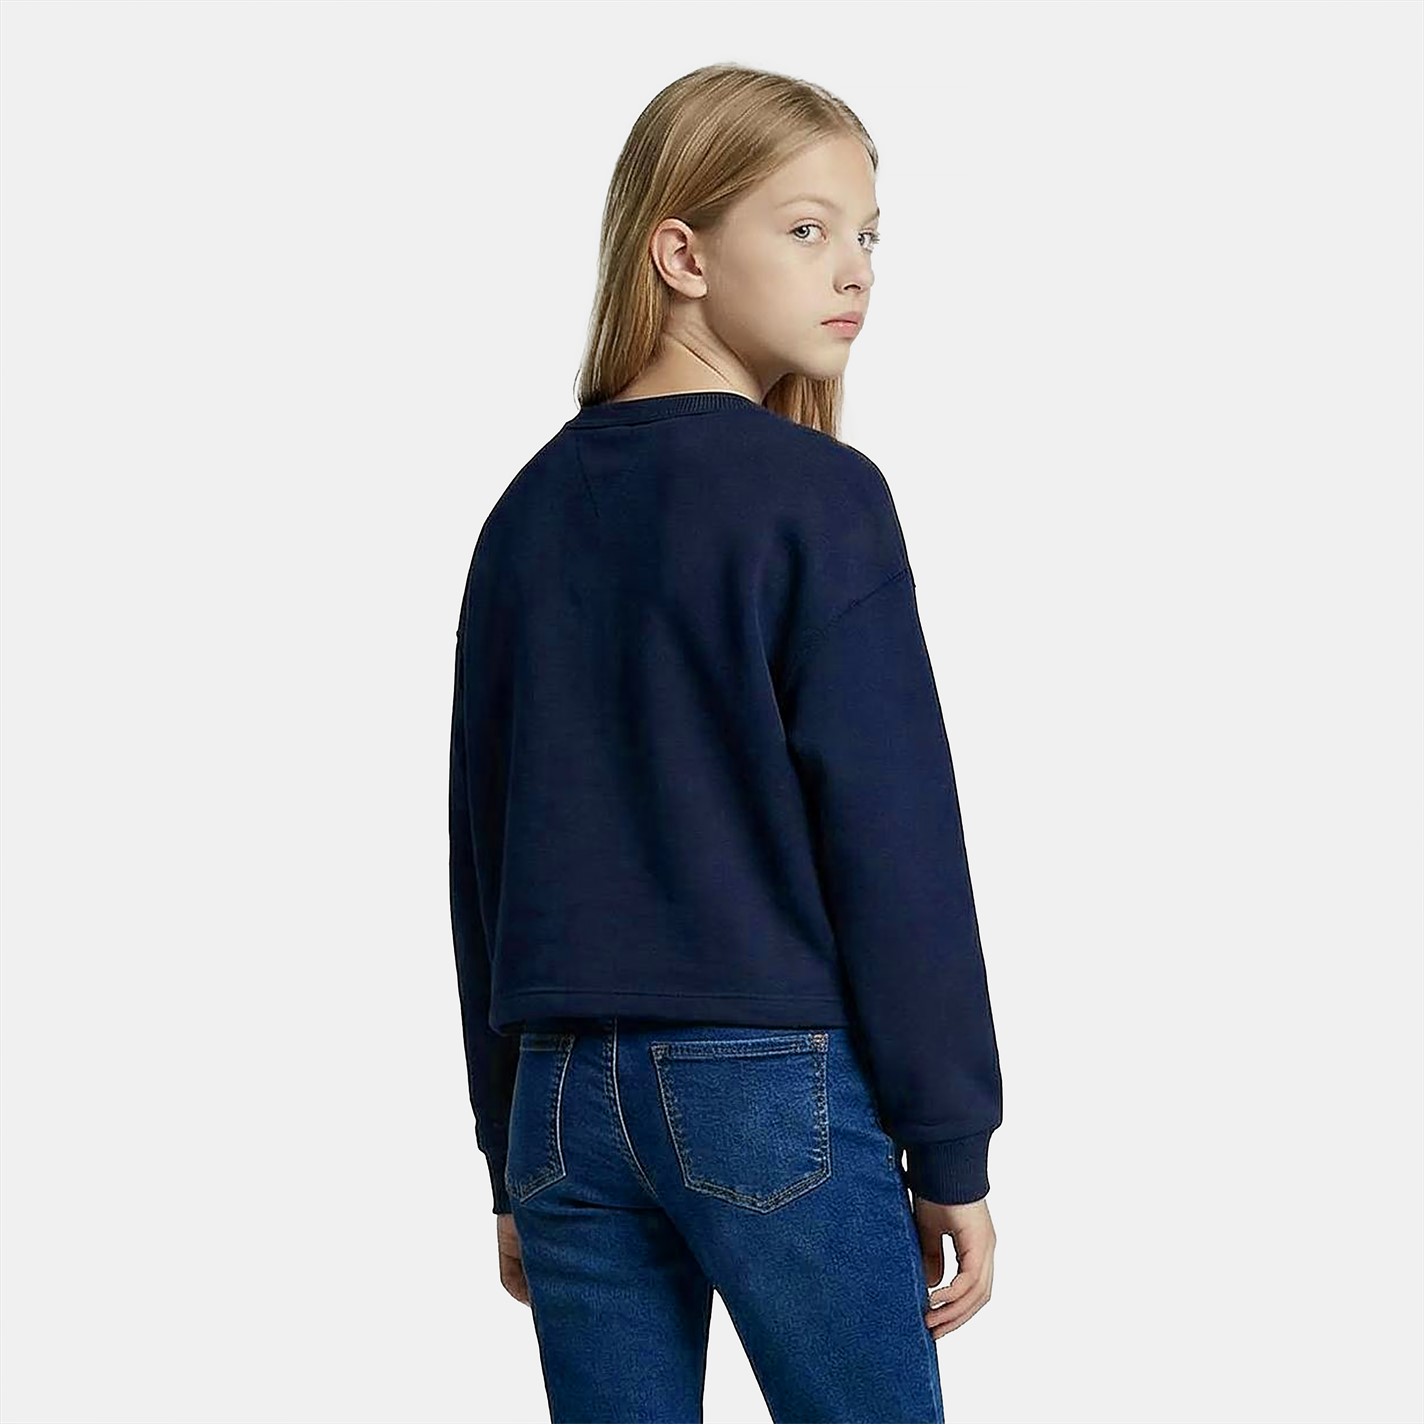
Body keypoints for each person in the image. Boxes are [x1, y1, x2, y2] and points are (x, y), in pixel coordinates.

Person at [448, 62, 1004, 1425]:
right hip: (765, 1089)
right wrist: (950, 1142)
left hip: (559, 1101)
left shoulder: (526, 510)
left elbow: (482, 857)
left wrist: (506, 1149)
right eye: (806, 229)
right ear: (682, 255)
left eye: (867, 235)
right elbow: (892, 836)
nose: (852, 270)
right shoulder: (818, 498)